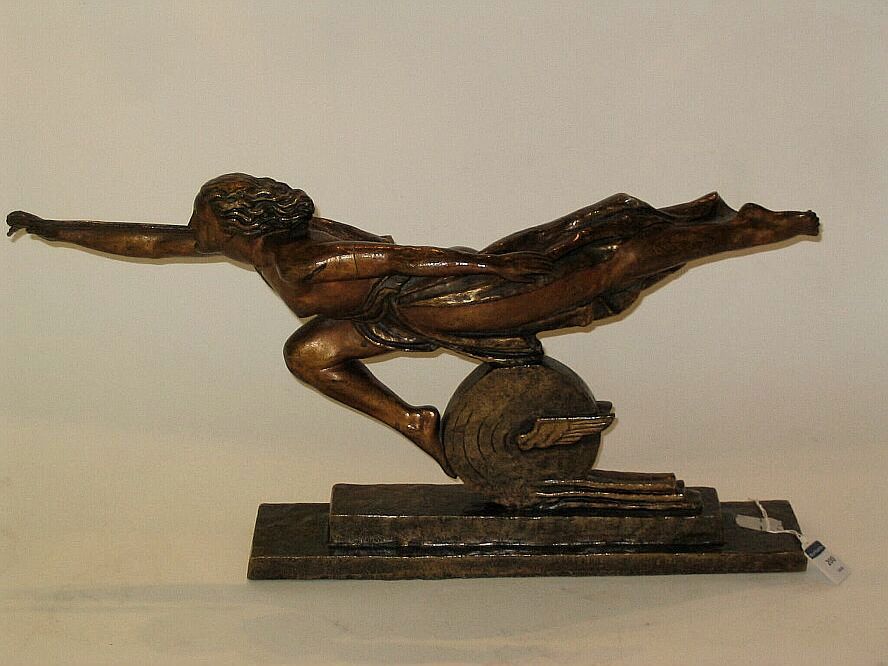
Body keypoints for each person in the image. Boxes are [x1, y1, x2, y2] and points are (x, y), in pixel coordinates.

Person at [7, 173, 819, 476]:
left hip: (446, 299)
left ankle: (744, 228)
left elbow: (411, 257)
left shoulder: (307, 261)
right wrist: (53, 229)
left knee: (599, 266)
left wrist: (503, 269)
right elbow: (152, 241)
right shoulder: (264, 248)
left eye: (204, 220)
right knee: (310, 353)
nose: (194, 231)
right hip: (388, 318)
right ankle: (420, 424)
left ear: (236, 223)